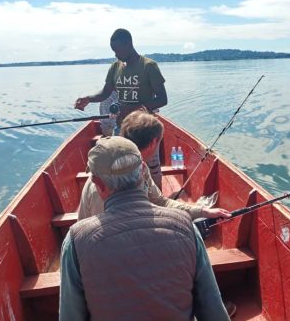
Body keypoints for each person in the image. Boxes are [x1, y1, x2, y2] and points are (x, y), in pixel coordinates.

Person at [59, 136, 230, 321]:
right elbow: (213, 311)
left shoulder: (76, 240)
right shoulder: (186, 227)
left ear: (97, 183)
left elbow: (70, 316)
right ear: (142, 171)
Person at [77, 110, 231, 222]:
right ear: (153, 143)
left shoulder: (140, 169)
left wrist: (202, 211)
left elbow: (160, 201)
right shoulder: (101, 188)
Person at [74, 28, 167, 186]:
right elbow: (105, 93)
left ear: (129, 44)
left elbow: (163, 99)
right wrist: (88, 99)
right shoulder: (115, 68)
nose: (116, 55)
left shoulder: (149, 66)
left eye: (118, 50)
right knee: (122, 168)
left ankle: (156, 203)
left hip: (146, 129)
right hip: (122, 127)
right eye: (113, 51)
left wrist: (135, 108)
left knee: (152, 168)